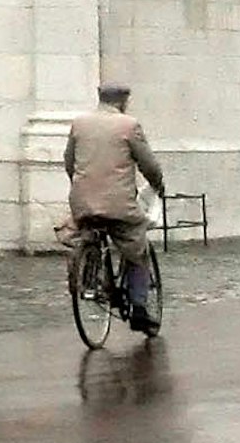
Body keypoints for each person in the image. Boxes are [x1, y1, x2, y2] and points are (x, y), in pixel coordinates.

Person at [62, 82, 167, 333]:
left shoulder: (80, 123)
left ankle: (90, 275)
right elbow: (148, 164)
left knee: (89, 231)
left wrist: (81, 186)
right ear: (123, 101)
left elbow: (69, 161)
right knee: (136, 248)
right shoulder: (129, 125)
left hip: (83, 200)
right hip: (119, 205)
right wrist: (158, 184)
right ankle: (140, 308)